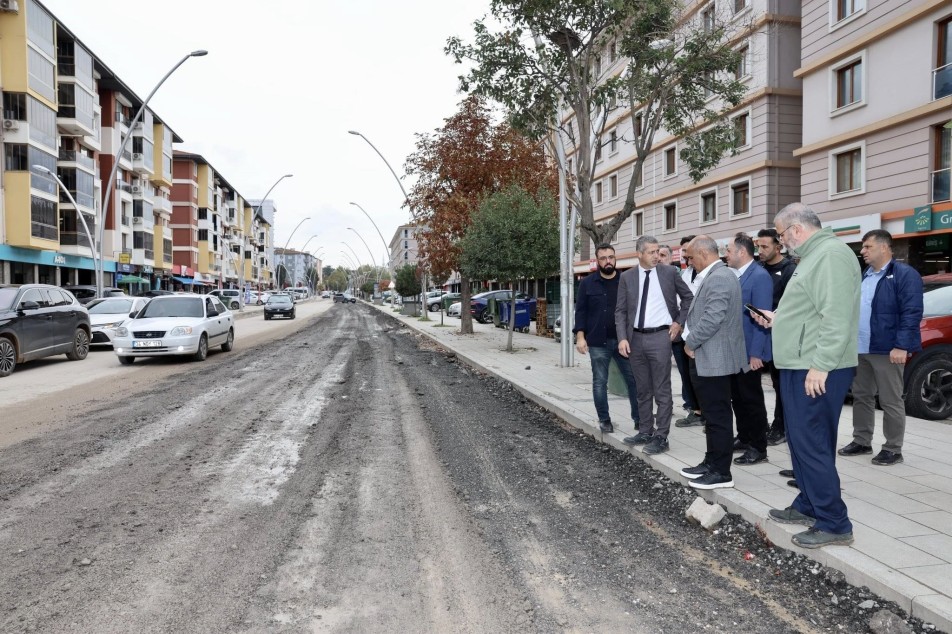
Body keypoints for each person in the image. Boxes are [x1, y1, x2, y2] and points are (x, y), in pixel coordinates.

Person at [752, 203, 860, 549]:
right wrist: (776, 318)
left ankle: (833, 521)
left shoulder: (830, 255)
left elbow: (836, 317)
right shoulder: (814, 257)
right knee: (802, 442)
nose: (782, 243)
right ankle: (810, 504)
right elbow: (809, 310)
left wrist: (821, 364)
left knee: (811, 442)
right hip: (800, 363)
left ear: (796, 229)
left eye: (781, 235)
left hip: (814, 367)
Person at [839, 230, 923, 466]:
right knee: (862, 396)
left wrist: (901, 345)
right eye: (863, 247)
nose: (863, 251)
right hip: (861, 347)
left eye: (867, 247)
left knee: (890, 399)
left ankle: (893, 448)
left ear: (884, 248)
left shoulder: (905, 275)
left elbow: (912, 312)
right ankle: (862, 441)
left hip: (888, 349)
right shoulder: (864, 275)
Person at [679, 236, 748, 489]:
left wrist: (690, 342)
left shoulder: (720, 277)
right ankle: (711, 463)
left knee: (717, 415)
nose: (689, 262)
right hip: (709, 356)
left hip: (714, 357)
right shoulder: (717, 275)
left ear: (704, 254)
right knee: (711, 414)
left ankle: (721, 472)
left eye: (691, 257)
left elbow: (713, 318)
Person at [615, 236, 693, 455]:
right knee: (642, 389)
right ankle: (645, 430)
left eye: (658, 252)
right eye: (651, 252)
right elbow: (620, 310)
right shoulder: (627, 277)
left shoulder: (669, 273)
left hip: (661, 337)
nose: (656, 256)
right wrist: (622, 337)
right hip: (635, 339)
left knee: (662, 389)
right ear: (639, 253)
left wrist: (679, 322)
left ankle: (661, 436)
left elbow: (688, 297)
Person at [573, 244, 640, 435]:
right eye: (603, 258)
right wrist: (580, 336)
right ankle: (604, 420)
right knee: (599, 382)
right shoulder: (587, 283)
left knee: (634, 381)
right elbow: (581, 311)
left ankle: (639, 419)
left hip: (623, 341)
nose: (608, 261)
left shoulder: (625, 280)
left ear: (615, 258)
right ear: (597, 260)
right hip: (597, 342)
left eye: (611, 257)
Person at [725, 233, 773, 466]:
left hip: (749, 352)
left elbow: (762, 318)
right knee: (738, 398)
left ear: (741, 252)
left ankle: (758, 446)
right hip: (735, 351)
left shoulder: (760, 277)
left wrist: (757, 354)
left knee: (751, 399)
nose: (726, 254)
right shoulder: (739, 275)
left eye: (728, 250)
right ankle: (744, 437)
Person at [756, 228, 797, 446]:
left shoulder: (790, 270)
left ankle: (781, 427)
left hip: (783, 337)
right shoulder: (759, 268)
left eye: (765, 246)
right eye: (758, 246)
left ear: (778, 247)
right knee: (771, 383)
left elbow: (791, 305)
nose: (760, 251)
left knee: (782, 385)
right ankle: (767, 424)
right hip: (761, 335)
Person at [673, 235, 704, 429]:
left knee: (700, 376)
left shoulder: (708, 274)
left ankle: (703, 412)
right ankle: (695, 409)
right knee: (687, 375)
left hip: (700, 333)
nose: (686, 255)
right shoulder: (685, 274)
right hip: (683, 331)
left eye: (688, 251)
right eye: (684, 251)